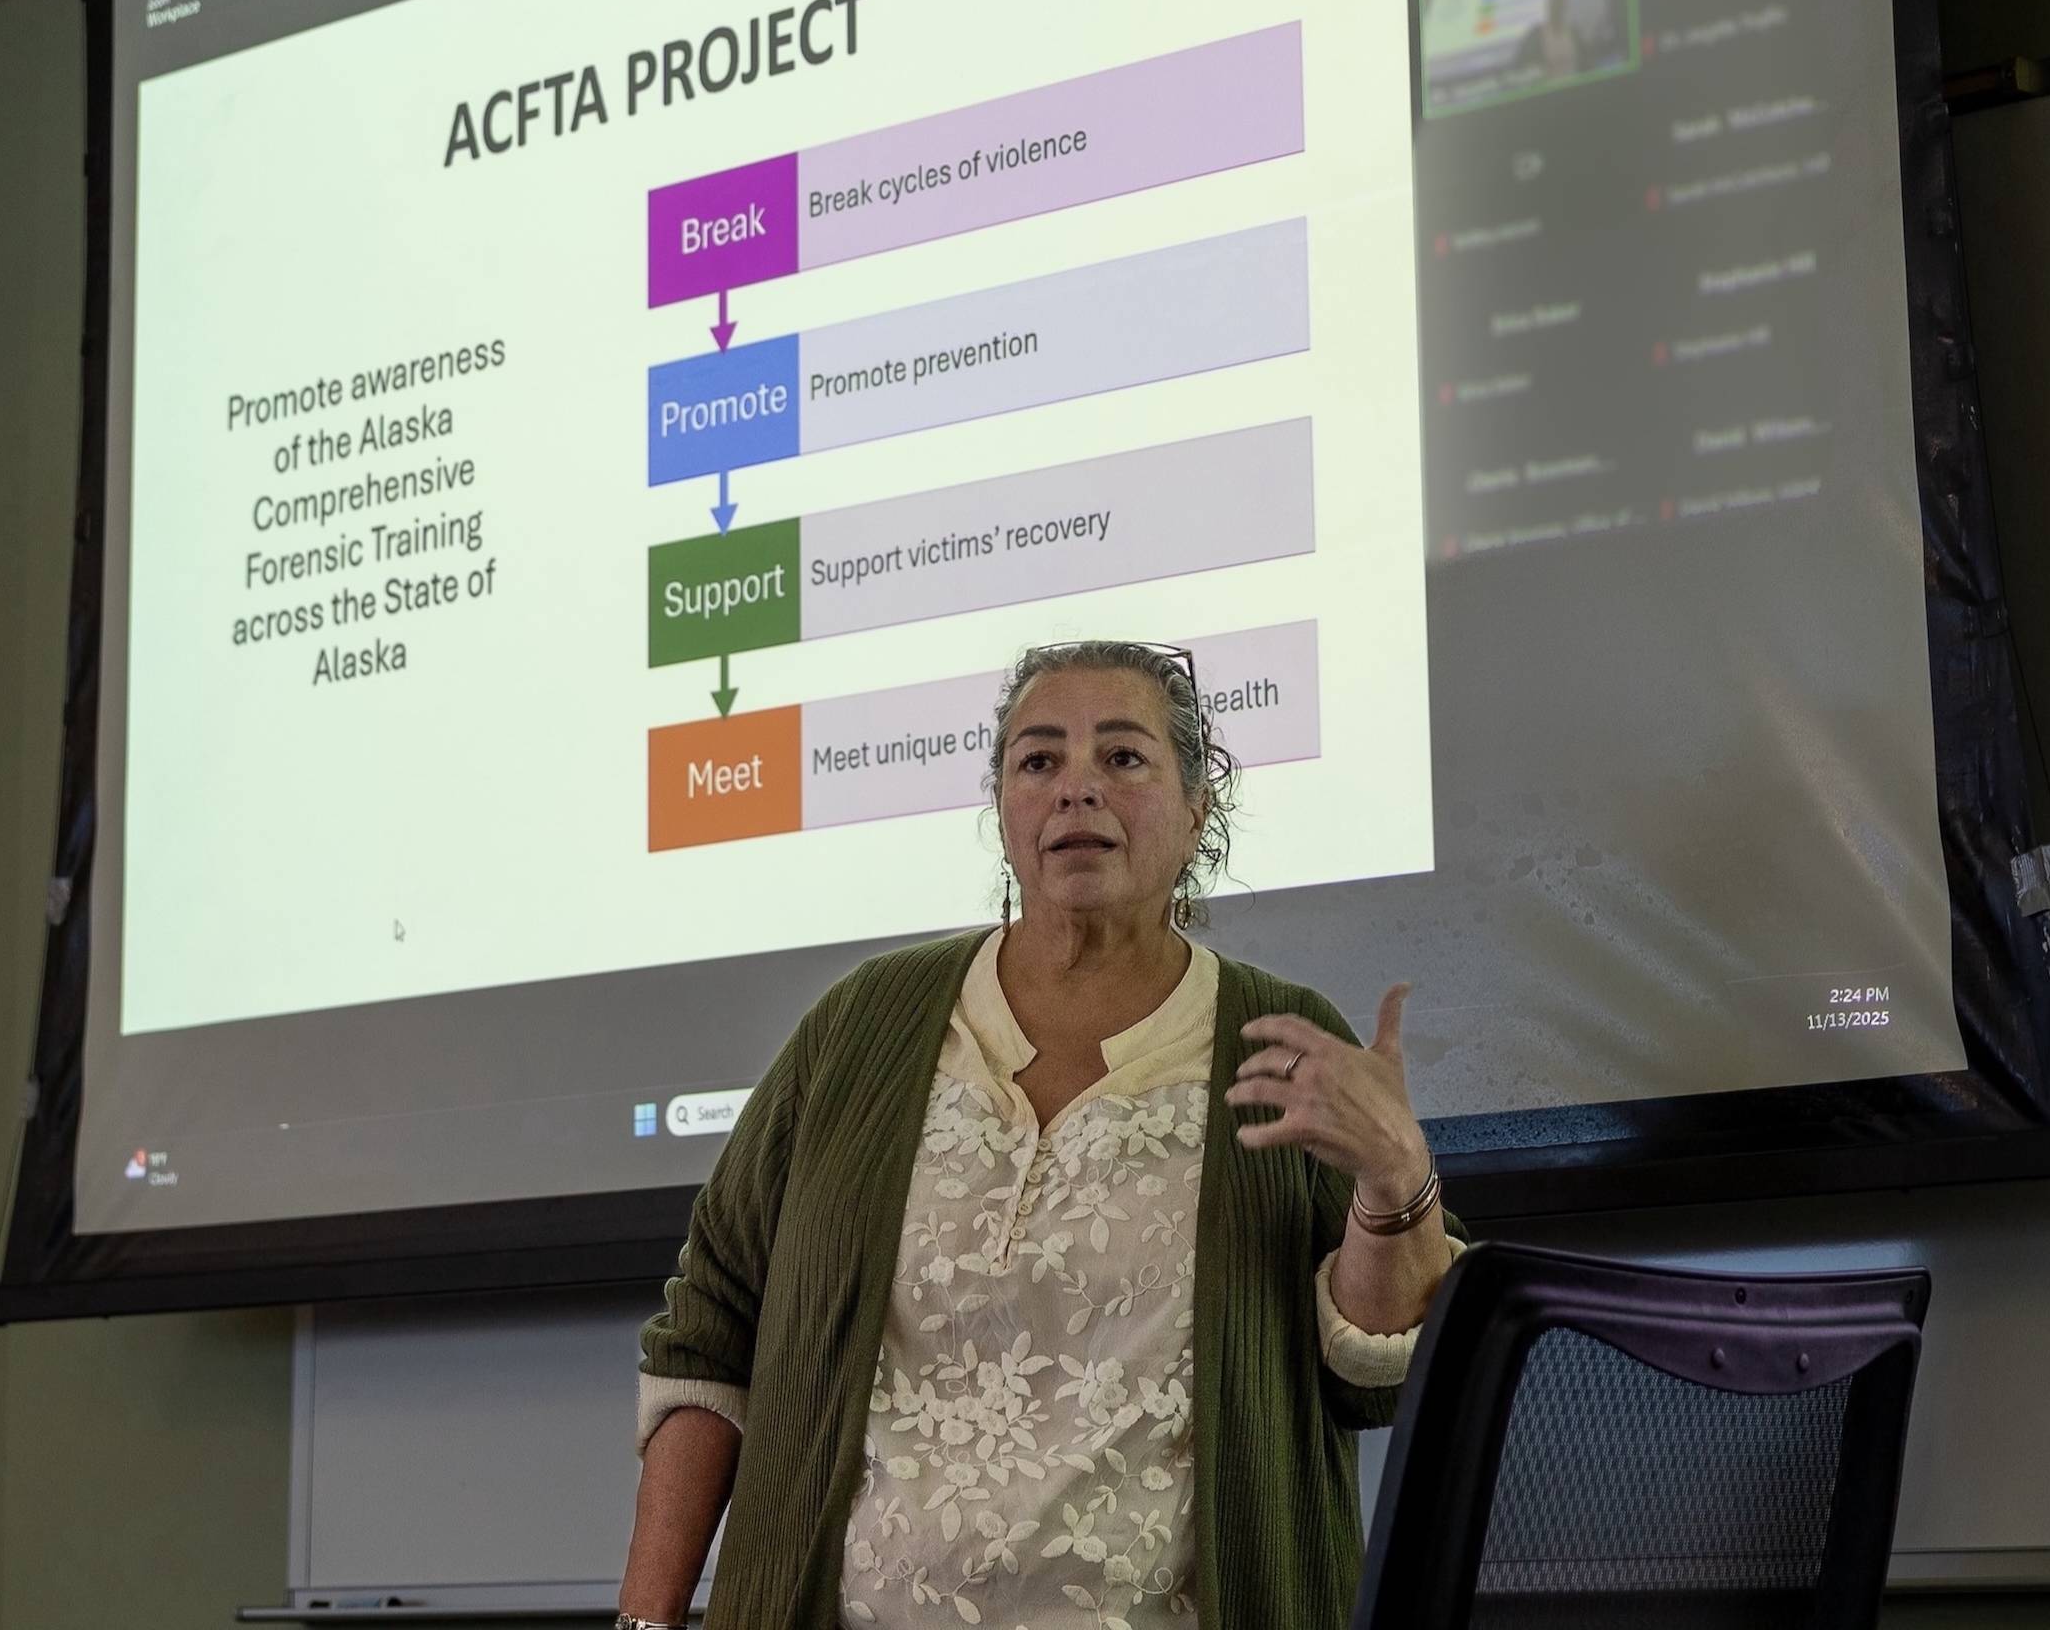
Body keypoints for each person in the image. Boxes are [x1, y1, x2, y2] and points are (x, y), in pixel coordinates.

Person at [617, 639, 1458, 1629]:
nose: (1076, 790)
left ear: (1198, 812)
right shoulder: (862, 1028)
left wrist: (1394, 1177)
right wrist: (647, 1619)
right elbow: (714, 1323)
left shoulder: (1278, 1042)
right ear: (1005, 812)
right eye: (1039, 760)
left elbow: (1377, 1367)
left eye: (1124, 757)